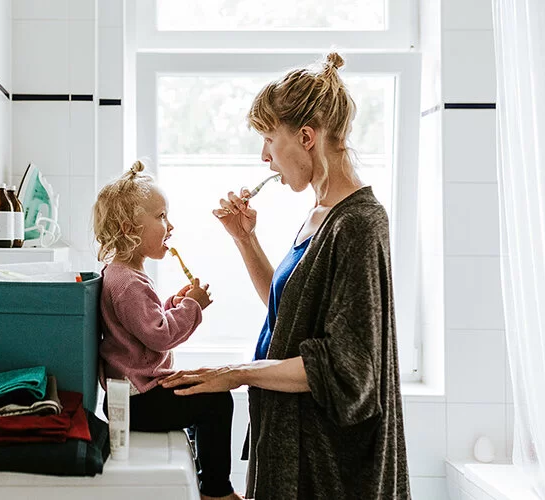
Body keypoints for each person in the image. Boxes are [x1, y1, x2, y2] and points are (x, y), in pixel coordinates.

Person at [160, 52, 411, 499]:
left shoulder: (358, 223)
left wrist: (237, 372)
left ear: (307, 137)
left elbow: (349, 370)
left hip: (331, 464)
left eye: (269, 139)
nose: (265, 157)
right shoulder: (320, 214)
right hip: (289, 438)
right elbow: (289, 314)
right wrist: (245, 240)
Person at [92, 160, 243, 500]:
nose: (170, 225)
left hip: (135, 397)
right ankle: (216, 491)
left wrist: (173, 303)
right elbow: (159, 335)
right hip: (139, 401)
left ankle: (206, 476)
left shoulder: (122, 275)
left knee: (204, 392)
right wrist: (192, 307)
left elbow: (142, 324)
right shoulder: (128, 282)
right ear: (129, 228)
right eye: (161, 217)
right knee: (217, 402)